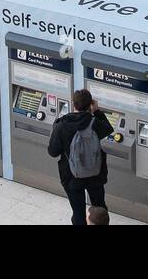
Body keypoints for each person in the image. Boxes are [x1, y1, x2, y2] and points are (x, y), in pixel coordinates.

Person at [46, 88, 111, 225]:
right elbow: (108, 129)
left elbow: (53, 152)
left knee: (78, 213)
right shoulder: (95, 123)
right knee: (99, 208)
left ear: (74, 104)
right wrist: (97, 112)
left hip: (71, 176)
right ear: (90, 105)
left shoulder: (62, 125)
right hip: (95, 174)